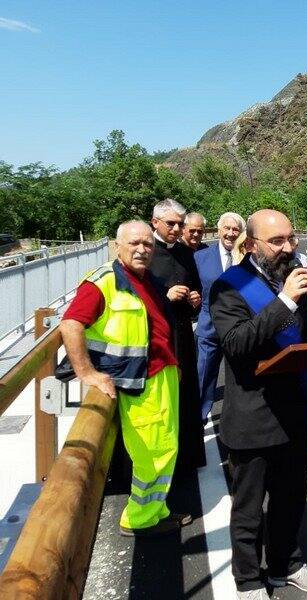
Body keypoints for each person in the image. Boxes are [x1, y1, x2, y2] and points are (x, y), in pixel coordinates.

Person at [210, 209, 307, 597]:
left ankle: (286, 563)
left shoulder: (294, 276)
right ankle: (248, 580)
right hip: (253, 417)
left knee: (290, 500)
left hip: (295, 414)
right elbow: (237, 344)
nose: (289, 247)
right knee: (249, 510)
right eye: (277, 241)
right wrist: (284, 301)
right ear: (251, 245)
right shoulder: (227, 287)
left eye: (291, 238)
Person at [61, 220, 190, 537]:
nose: (142, 249)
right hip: (138, 380)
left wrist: (173, 364)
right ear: (117, 246)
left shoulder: (146, 279)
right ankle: (140, 518)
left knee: (166, 445)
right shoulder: (103, 282)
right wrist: (87, 373)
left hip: (162, 372)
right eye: (134, 243)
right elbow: (70, 325)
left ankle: (156, 508)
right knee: (151, 450)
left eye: (148, 244)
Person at [149, 199, 206, 470]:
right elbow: (135, 293)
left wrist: (195, 296)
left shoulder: (185, 252)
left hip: (182, 333)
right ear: (155, 223)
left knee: (185, 396)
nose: (176, 228)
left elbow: (195, 286)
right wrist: (165, 295)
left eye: (179, 224)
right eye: (170, 223)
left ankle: (186, 458)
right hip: (157, 337)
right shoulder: (144, 252)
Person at [194, 212, 245, 422]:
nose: (231, 234)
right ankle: (198, 418)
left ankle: (236, 421)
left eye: (236, 230)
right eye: (227, 228)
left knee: (240, 380)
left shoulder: (247, 259)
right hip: (209, 329)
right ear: (218, 230)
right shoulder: (199, 257)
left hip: (240, 330)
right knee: (203, 377)